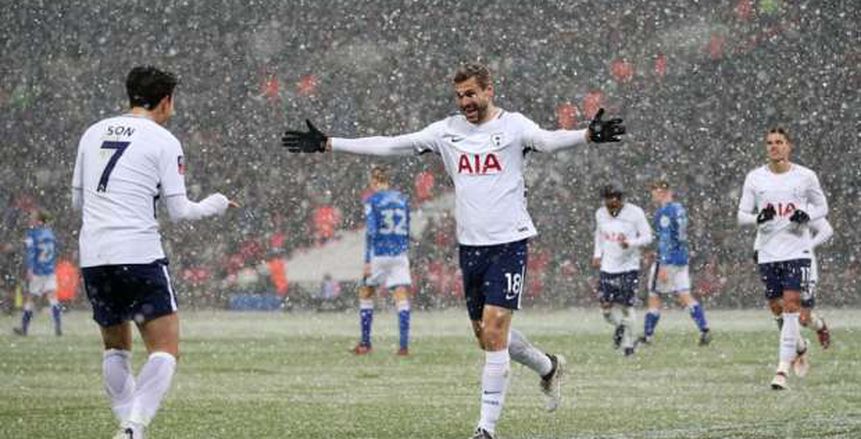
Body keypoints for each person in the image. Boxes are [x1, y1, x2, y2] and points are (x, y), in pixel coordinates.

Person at [282, 62, 626, 438]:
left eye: (471, 94)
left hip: (509, 244)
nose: (466, 102)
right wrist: (331, 143)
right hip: (471, 249)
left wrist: (587, 135)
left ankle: (485, 429)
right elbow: (390, 144)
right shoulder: (446, 132)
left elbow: (546, 139)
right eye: (460, 96)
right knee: (487, 337)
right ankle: (548, 367)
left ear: (489, 90)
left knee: (495, 332)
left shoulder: (514, 126)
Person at [72, 66, 237, 438]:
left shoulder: (92, 133)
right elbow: (181, 212)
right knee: (165, 349)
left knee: (115, 349)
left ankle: (130, 429)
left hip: (95, 256)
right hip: (139, 253)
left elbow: (77, 200)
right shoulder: (163, 140)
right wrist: (218, 202)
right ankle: (134, 426)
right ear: (165, 101)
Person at [737, 127, 828, 390]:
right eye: (770, 143)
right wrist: (757, 218)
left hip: (797, 251)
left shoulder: (805, 176)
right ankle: (799, 345)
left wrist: (807, 216)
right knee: (777, 308)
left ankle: (781, 370)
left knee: (791, 306)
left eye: (779, 142)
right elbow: (741, 214)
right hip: (768, 252)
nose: (774, 147)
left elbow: (823, 207)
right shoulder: (755, 178)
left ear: (789, 146)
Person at [638, 180, 711, 346]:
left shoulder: (664, 213)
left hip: (668, 260)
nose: (652, 194)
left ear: (662, 191)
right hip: (681, 258)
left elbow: (665, 239)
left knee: (654, 295)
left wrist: (663, 264)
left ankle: (647, 336)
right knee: (685, 295)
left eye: (654, 190)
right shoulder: (679, 209)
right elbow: (679, 235)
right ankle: (704, 329)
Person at [353, 166, 413, 356]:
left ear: (374, 181)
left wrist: (367, 260)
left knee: (365, 292)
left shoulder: (372, 200)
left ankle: (365, 343)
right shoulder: (402, 200)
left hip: (380, 252)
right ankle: (403, 346)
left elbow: (371, 231)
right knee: (401, 296)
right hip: (399, 252)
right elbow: (408, 227)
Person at [591, 182, 652, 357]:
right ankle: (621, 326)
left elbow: (648, 236)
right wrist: (597, 254)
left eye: (615, 200)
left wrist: (631, 243)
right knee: (606, 311)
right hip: (607, 267)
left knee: (627, 306)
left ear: (621, 200)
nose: (612, 205)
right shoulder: (600, 214)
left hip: (628, 267)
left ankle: (628, 345)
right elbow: (599, 235)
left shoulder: (635, 213)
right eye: (608, 201)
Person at [761, 217, 833, 348]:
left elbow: (826, 229)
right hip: (777, 264)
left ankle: (820, 326)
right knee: (778, 308)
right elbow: (762, 232)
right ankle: (798, 348)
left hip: (802, 265)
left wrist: (809, 245)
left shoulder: (803, 205)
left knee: (803, 319)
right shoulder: (771, 205)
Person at [14, 210, 61, 336]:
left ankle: (24, 328)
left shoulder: (33, 234)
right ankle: (58, 326)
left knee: (30, 298)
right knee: (52, 298)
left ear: (39, 221)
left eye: (33, 218)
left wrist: (30, 268)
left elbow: (31, 253)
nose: (30, 220)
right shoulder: (50, 233)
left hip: (38, 271)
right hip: (50, 269)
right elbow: (55, 250)